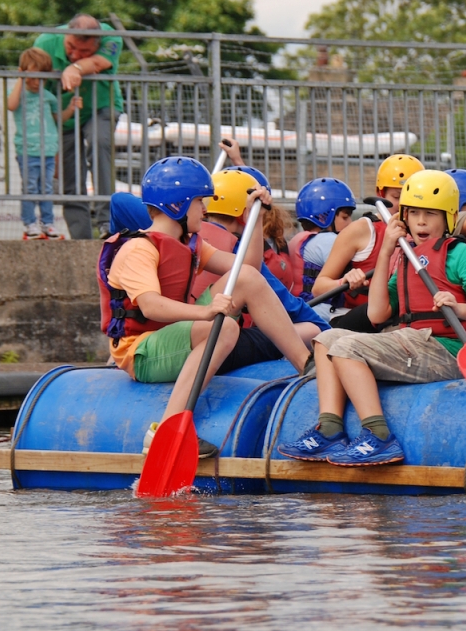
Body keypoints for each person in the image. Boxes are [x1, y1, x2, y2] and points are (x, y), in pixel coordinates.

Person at [279, 170, 466, 466]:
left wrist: (459, 308)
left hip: (447, 351)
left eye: (430, 214)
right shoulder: (406, 258)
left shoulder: (462, 254)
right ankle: (331, 427)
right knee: (325, 339)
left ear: (448, 218)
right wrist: (387, 251)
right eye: (414, 213)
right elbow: (377, 314)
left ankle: (378, 434)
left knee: (348, 348)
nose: (421, 221)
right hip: (411, 342)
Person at [97, 156, 313, 457]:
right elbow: (150, 307)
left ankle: (307, 367)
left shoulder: (191, 244)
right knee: (223, 326)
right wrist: (206, 312)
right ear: (178, 205)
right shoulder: (138, 249)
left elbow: (247, 267)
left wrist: (256, 218)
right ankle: (166, 426)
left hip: (175, 334)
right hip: (142, 351)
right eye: (200, 201)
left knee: (247, 279)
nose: (206, 209)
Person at [191, 160, 328, 345]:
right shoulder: (238, 249)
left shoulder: (190, 237)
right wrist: (327, 330)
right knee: (313, 329)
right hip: (219, 336)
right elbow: (286, 302)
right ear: (245, 213)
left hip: (183, 332)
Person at [311, 154, 425, 333]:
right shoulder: (362, 230)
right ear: (381, 194)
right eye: (397, 197)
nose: (404, 205)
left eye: (411, 198)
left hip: (406, 318)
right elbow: (319, 288)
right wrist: (344, 280)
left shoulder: (426, 232)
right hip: (356, 318)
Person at [35, 13, 124, 240]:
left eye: (83, 52)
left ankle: (107, 222)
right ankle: (81, 237)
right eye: (71, 47)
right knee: (70, 171)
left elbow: (99, 62)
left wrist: (73, 67)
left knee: (99, 142)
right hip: (64, 115)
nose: (74, 54)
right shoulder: (45, 42)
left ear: (97, 44)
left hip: (101, 107)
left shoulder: (110, 38)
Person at [7, 48, 80, 240]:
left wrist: (71, 108)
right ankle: (30, 223)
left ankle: (47, 223)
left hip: (48, 150)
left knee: (47, 188)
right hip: (28, 150)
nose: (35, 81)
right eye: (31, 76)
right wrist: (20, 79)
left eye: (40, 77)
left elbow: (58, 119)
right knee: (30, 187)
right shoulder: (19, 93)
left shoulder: (48, 97)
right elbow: (11, 105)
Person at [289, 177, 358, 316]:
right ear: (325, 216)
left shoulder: (297, 239)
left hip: (302, 309)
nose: (350, 223)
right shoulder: (328, 240)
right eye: (345, 217)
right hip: (323, 313)